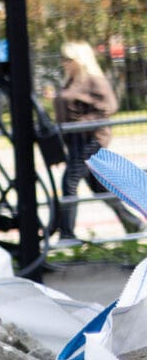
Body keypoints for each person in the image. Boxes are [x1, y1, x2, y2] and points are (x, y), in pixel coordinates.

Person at [54, 40, 143, 238]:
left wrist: (82, 122)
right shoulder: (69, 81)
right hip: (74, 141)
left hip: (91, 140)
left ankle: (66, 234)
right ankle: (133, 223)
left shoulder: (94, 81)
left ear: (79, 60)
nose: (63, 63)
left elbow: (110, 106)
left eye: (67, 59)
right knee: (98, 187)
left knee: (69, 182)